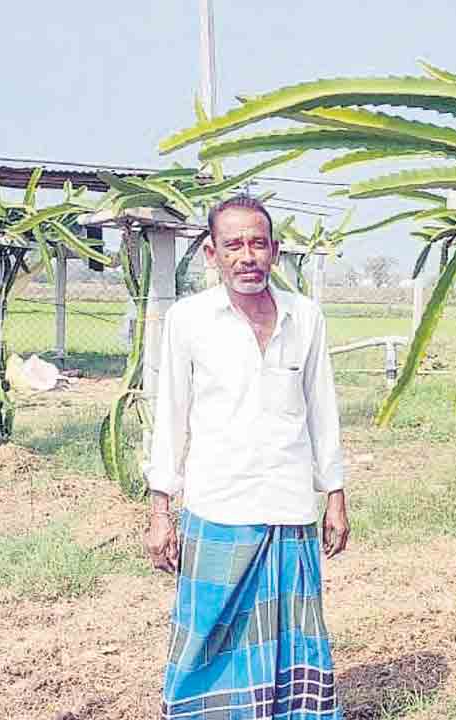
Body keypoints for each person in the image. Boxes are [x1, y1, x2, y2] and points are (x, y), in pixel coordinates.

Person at [143, 195, 348, 719]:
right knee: (205, 637)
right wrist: (160, 510)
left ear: (275, 251)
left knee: (292, 637)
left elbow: (321, 408)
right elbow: (171, 415)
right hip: (219, 506)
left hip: (289, 507)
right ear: (212, 254)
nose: (246, 256)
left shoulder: (305, 317)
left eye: (257, 243)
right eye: (233, 245)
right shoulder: (188, 320)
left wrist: (336, 496)